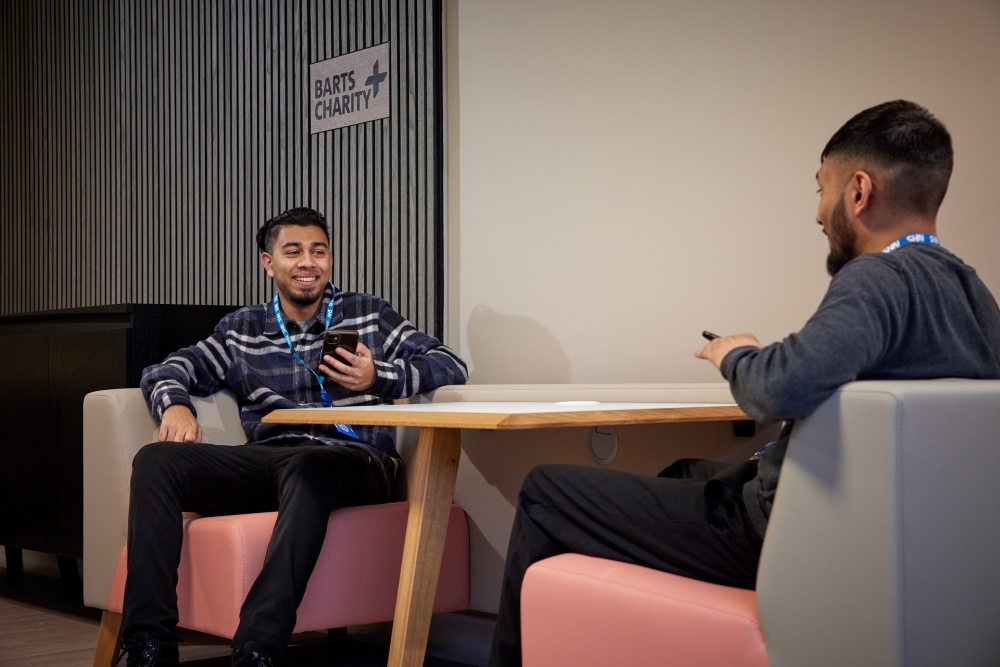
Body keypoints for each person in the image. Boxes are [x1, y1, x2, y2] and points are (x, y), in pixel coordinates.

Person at [488, 100, 1000, 667]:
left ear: (859, 192)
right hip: (893, 544)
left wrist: (737, 354)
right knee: (683, 471)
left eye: (821, 191)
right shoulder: (974, 295)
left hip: (776, 531)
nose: (818, 215)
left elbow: (775, 389)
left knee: (543, 491)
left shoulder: (877, 280)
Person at [120, 208, 468, 667]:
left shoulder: (366, 314)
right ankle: (149, 645)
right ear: (269, 263)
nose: (309, 262)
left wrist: (378, 376)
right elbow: (168, 368)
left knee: (310, 467)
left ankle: (258, 646)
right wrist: (176, 404)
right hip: (271, 458)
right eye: (294, 251)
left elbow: (450, 364)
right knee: (155, 461)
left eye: (318, 251)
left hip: (355, 460)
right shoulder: (242, 328)